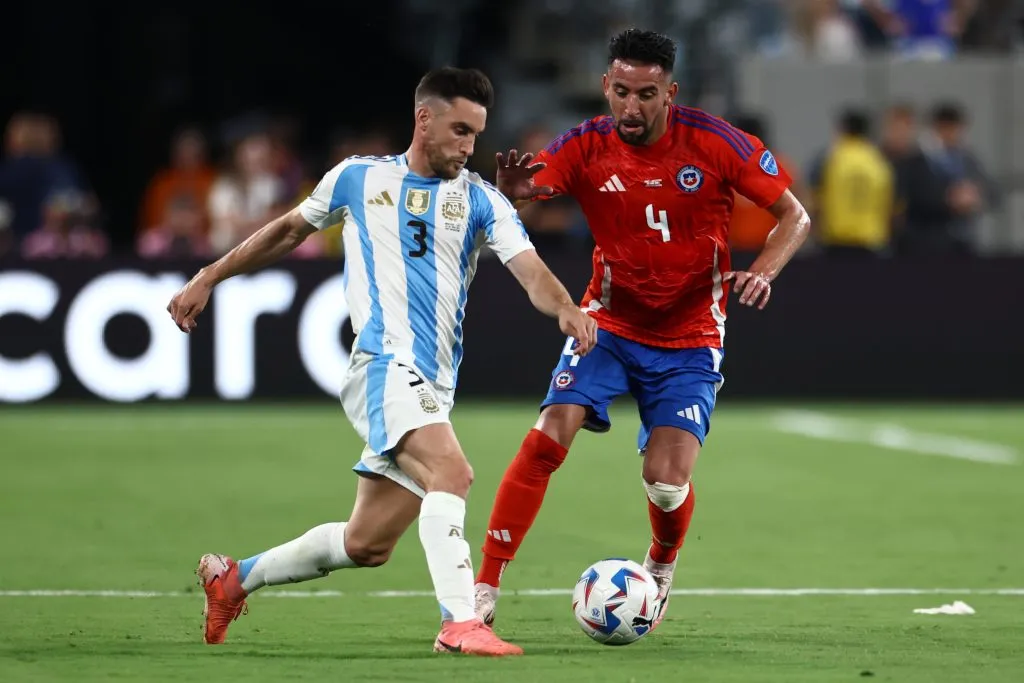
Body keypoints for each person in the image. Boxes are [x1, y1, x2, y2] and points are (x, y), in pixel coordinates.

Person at [166, 66, 597, 656]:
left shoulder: (481, 199)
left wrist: (566, 308)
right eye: (460, 130)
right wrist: (210, 275)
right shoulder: (357, 178)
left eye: (477, 134)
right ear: (424, 118)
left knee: (366, 544)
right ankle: (459, 621)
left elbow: (531, 273)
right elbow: (288, 231)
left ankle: (234, 578)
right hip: (382, 365)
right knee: (454, 473)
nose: (470, 146)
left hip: (433, 384)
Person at [472, 29, 810, 631]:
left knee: (665, 482)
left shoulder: (714, 142)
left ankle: (662, 559)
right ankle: (485, 588)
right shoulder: (582, 145)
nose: (631, 107)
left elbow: (794, 215)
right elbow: (520, 200)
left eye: (647, 94)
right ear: (606, 86)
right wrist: (514, 194)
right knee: (550, 433)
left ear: (670, 93)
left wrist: (763, 270)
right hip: (609, 322)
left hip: (690, 336)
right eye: (622, 92)